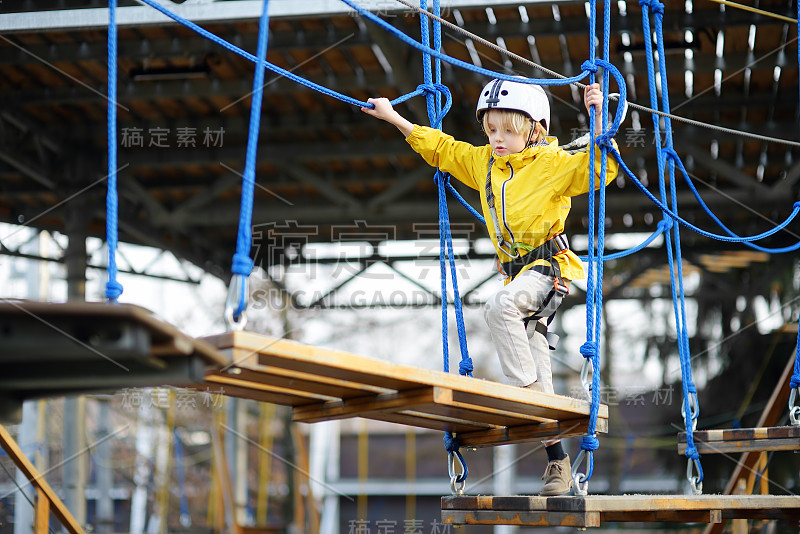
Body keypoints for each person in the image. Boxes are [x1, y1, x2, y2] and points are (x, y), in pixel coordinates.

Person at [362, 78, 618, 496]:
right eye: (492, 130)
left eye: (508, 131)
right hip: (517, 277)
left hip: (548, 270)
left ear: (533, 129)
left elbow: (602, 169)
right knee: (540, 377)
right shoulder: (483, 164)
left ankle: (523, 395)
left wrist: (598, 116)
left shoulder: (552, 163)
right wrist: (393, 117)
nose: (497, 139)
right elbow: (442, 148)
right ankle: (558, 463)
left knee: (499, 307)